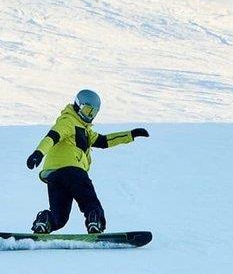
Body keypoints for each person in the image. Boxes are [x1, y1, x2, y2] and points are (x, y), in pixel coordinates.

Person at [26, 89, 149, 234]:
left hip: (54, 175)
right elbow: (52, 136)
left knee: (59, 217)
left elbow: (104, 141)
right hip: (73, 171)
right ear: (78, 105)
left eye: (93, 113)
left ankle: (45, 221)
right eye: (87, 111)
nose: (89, 116)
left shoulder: (85, 130)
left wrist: (131, 134)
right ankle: (95, 222)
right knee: (90, 202)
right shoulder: (68, 121)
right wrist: (38, 153)